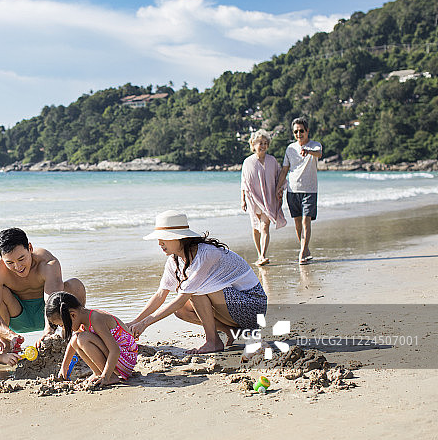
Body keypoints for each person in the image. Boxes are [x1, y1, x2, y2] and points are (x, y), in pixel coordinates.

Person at [127, 210, 267, 354]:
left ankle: (212, 342)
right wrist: (135, 322)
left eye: (164, 238)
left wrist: (145, 324)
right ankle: (230, 331)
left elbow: (182, 298)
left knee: (195, 292)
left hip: (253, 307)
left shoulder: (206, 254)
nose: (159, 243)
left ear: (180, 238)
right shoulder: (174, 260)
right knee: (182, 311)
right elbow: (160, 294)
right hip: (231, 308)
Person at [0, 228, 86, 352]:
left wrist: (48, 330)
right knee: (0, 294)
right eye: (10, 262)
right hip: (16, 317)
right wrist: (9, 334)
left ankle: (71, 337)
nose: (18, 267)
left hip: (50, 314)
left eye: (21, 259)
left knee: (75, 285)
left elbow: (52, 299)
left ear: (30, 248)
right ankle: (8, 347)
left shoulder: (47, 263)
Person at [45, 291, 138, 386]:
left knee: (83, 339)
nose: (63, 329)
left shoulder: (95, 319)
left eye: (62, 325)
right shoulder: (84, 319)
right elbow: (72, 345)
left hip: (126, 357)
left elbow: (115, 350)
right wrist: (64, 367)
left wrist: (105, 377)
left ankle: (110, 377)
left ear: (73, 315)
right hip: (119, 359)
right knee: (75, 340)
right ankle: (98, 372)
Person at [276, 117, 322, 264]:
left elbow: (318, 154)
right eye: (295, 131)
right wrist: (278, 188)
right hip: (292, 190)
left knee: (306, 220)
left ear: (307, 131)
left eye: (301, 131)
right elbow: (284, 170)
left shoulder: (315, 146)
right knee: (297, 222)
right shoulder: (290, 149)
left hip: (310, 189)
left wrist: (307, 150)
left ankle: (302, 252)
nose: (299, 134)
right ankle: (305, 248)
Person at [241, 129, 287, 266]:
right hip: (253, 200)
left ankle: (262, 255)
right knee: (256, 227)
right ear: (253, 144)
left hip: (269, 199)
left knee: (265, 226)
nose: (263, 145)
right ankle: (259, 254)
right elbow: (244, 182)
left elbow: (279, 177)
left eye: (265, 143)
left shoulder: (272, 160)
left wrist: (279, 189)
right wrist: (242, 199)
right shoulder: (248, 162)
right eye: (260, 143)